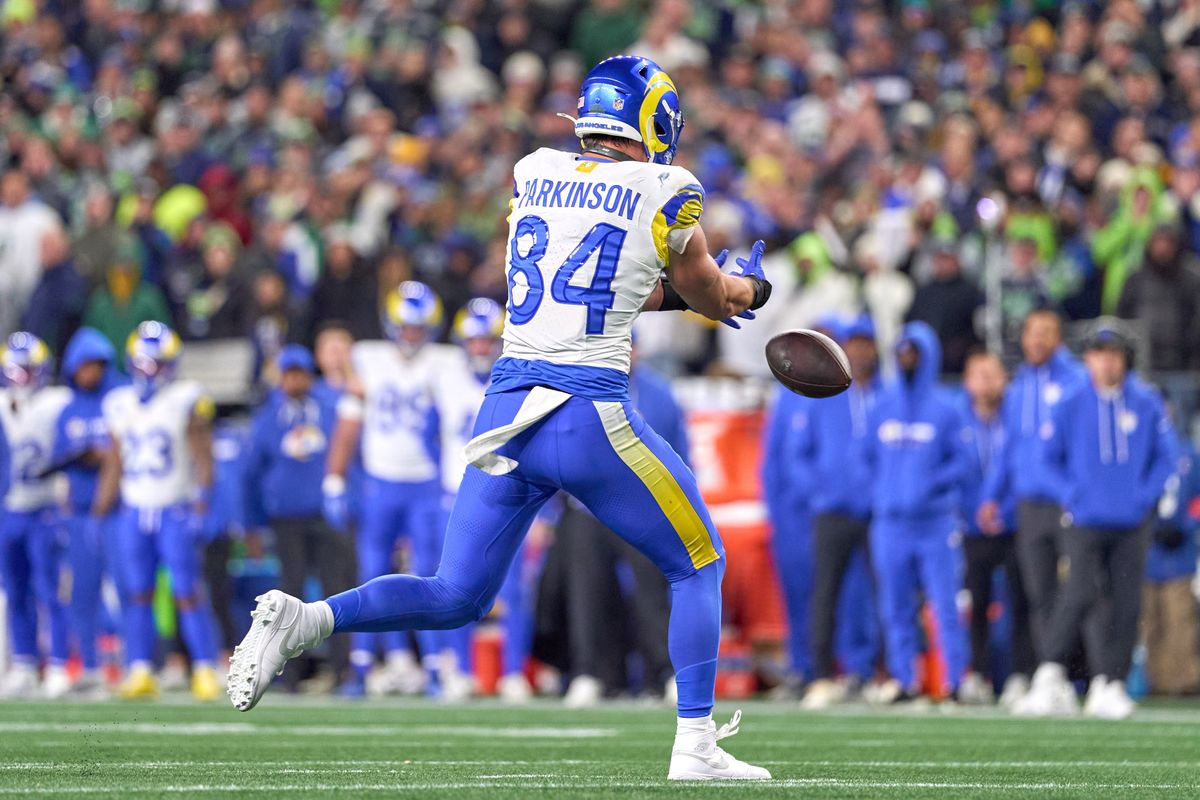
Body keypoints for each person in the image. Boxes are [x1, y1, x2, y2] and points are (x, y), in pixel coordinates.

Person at [228, 55, 773, 781]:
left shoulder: (533, 170)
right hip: (585, 412)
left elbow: (611, 283)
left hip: (507, 411)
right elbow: (709, 293)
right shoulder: (669, 187)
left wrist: (697, 289)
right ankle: (696, 747)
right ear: (655, 120)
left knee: (456, 593)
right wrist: (750, 287)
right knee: (699, 560)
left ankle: (309, 620)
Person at [1016, 325, 1176, 719]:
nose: (1106, 362)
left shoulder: (1146, 401)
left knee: (1126, 601)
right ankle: (1050, 672)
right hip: (1085, 518)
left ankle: (1112, 682)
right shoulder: (1071, 401)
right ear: (1087, 359)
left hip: (1130, 521)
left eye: (1113, 354)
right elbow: (1046, 459)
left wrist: (1143, 497)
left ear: (1124, 359)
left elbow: (1167, 457)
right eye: (1098, 354)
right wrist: (1073, 494)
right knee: (1079, 591)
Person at [321, 281, 450, 697]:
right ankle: (361, 666)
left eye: (419, 328)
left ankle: (433, 667)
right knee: (370, 573)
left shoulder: (444, 363)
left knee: (429, 576)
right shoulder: (370, 359)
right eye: (406, 327)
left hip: (426, 486)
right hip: (381, 482)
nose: (412, 335)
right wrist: (335, 477)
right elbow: (349, 418)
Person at [93, 321, 223, 701]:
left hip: (174, 508)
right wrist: (101, 509)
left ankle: (204, 667)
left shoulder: (186, 397)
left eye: (156, 363)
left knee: (187, 591)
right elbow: (115, 459)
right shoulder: (119, 401)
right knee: (138, 593)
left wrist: (204, 501)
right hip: (134, 509)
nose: (149, 371)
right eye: (144, 363)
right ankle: (140, 669)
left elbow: (203, 452)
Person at [861, 321, 971, 703]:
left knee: (945, 605)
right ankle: (905, 679)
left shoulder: (947, 408)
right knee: (894, 606)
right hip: (891, 524)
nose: (907, 359)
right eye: (902, 353)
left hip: (934, 524)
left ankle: (954, 680)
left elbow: (963, 462)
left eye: (914, 353)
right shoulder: (881, 407)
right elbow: (865, 459)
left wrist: (931, 483)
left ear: (927, 357)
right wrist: (885, 492)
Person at [429, 298, 528, 702]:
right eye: (475, 340)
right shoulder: (445, 381)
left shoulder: (520, 379)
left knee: (515, 590)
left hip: (508, 493)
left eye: (488, 339)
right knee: (454, 586)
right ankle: (462, 671)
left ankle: (515, 673)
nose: (481, 347)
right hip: (457, 492)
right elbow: (428, 436)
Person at [979, 309, 1083, 679]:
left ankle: (1091, 673)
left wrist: (1077, 490)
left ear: (1059, 339)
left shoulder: (1077, 382)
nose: (1036, 340)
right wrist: (991, 496)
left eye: (1045, 333)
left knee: (1082, 591)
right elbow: (1008, 448)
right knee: (1040, 594)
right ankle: (1051, 675)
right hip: (1029, 505)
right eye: (1031, 333)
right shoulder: (1019, 386)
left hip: (1068, 503)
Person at [242, 344, 352, 692]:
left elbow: (351, 452)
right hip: (286, 518)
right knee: (290, 597)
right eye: (288, 374)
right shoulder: (268, 417)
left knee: (338, 592)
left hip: (325, 515)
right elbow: (249, 474)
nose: (294, 380)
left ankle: (343, 670)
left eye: (300, 373)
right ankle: (289, 674)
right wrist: (251, 526)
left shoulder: (330, 408)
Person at [794, 317, 882, 709]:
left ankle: (883, 675)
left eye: (867, 344)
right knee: (825, 594)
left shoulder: (890, 395)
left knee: (887, 596)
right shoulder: (824, 393)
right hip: (832, 510)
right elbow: (799, 455)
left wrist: (884, 492)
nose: (861, 352)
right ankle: (822, 676)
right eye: (855, 344)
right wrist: (821, 491)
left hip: (877, 512)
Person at [51, 328, 124, 696]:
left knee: (129, 588)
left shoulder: (119, 400)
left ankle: (136, 664)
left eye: (98, 365)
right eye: (85, 365)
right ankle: (91, 666)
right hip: (80, 512)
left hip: (117, 511)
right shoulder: (67, 410)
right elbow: (61, 457)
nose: (91, 372)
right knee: (81, 592)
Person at [959, 350, 1034, 706]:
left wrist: (1003, 508)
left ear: (1005, 378)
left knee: (1021, 600)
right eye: (979, 373)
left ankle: (1021, 674)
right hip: (973, 528)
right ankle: (978, 673)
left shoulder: (1018, 418)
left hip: (1014, 523)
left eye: (993, 373)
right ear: (966, 382)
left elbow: (1025, 467)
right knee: (978, 604)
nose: (986, 381)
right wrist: (969, 512)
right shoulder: (957, 421)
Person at [0, 333, 73, 698]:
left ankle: (59, 662)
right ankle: (25, 662)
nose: (22, 379)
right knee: (15, 590)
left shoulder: (56, 402)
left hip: (45, 507)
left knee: (49, 588)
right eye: (15, 371)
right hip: (9, 509)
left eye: (28, 371)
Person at [1141, 431, 1200, 696]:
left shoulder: (1189, 453)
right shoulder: (1141, 451)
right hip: (1148, 551)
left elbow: (1197, 499)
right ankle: (1158, 680)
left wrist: (1186, 526)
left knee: (1180, 618)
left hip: (1180, 552)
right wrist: (1149, 527)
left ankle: (1185, 680)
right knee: (1150, 620)